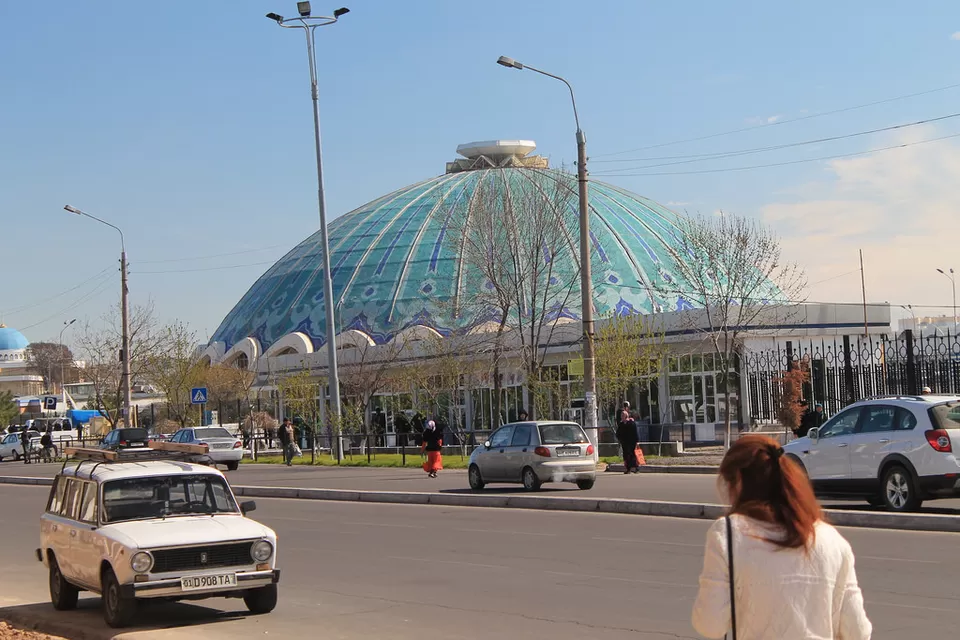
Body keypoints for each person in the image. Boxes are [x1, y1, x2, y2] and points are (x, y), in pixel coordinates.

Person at [691, 435, 872, 640]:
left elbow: (710, 624)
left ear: (739, 481)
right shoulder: (832, 540)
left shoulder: (728, 534)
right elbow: (859, 631)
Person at [616, 401, 639, 473]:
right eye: (621, 416)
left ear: (626, 416)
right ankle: (628, 469)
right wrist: (620, 439)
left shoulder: (631, 423)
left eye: (623, 416)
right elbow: (618, 433)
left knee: (633, 454)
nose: (621, 417)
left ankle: (636, 468)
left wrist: (637, 441)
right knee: (626, 455)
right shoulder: (621, 424)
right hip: (624, 442)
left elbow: (635, 433)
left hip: (632, 442)